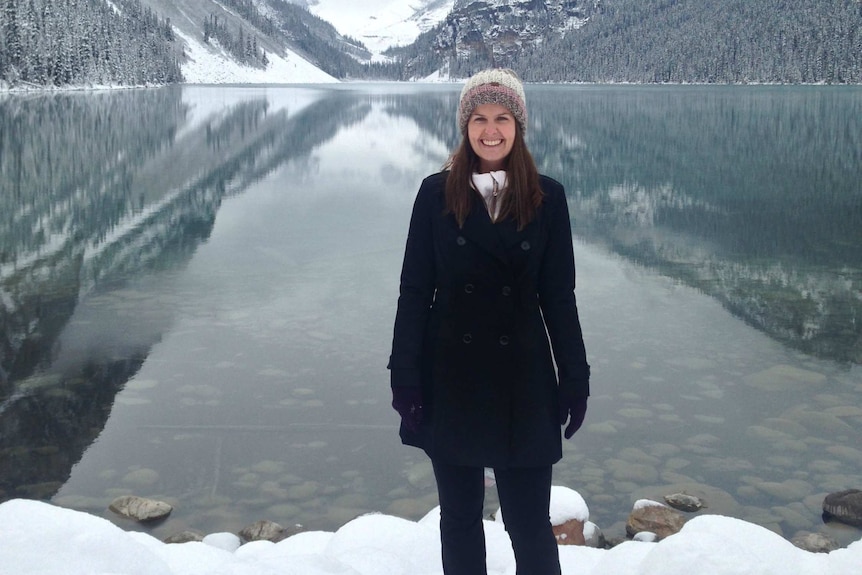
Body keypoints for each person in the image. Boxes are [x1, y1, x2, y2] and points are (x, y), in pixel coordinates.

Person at [387, 68, 590, 575]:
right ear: (465, 126)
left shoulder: (548, 197)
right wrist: (404, 377)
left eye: (502, 117)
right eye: (479, 118)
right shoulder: (435, 195)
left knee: (526, 521)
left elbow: (559, 297)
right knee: (458, 518)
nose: (490, 129)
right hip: (450, 376)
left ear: (518, 125)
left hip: (523, 381)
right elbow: (414, 292)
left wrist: (575, 379)